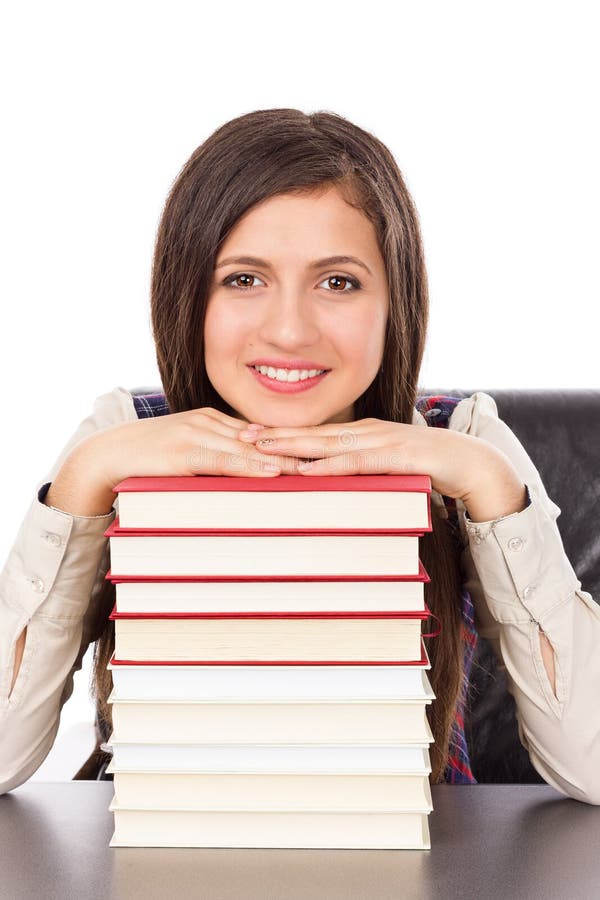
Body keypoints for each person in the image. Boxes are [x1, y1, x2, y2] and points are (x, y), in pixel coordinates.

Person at [1, 108, 598, 801]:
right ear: (185, 296)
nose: (289, 330)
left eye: (338, 282)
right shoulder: (117, 441)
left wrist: (491, 488)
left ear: (393, 303)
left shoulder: (466, 445)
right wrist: (79, 486)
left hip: (412, 857)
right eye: (243, 279)